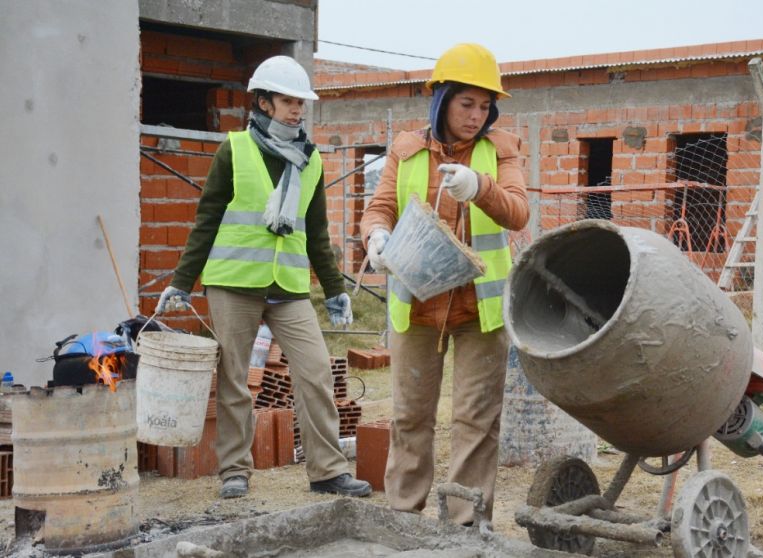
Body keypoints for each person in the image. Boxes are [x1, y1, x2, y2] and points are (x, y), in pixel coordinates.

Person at [156, 55, 371, 500]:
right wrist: (182, 281)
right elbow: (207, 219)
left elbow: (317, 235)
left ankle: (328, 470)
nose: (297, 110)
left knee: (315, 373)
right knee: (235, 378)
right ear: (264, 102)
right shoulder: (234, 149)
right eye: (288, 101)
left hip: (289, 289)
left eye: (300, 103)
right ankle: (235, 469)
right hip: (234, 282)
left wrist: (335, 292)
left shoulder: (309, 162)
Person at [360, 43, 529, 525]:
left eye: (484, 106)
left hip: (481, 311)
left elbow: (518, 211)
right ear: (442, 99)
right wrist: (376, 236)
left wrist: (480, 187)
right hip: (418, 304)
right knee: (410, 418)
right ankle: (403, 519)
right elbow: (380, 207)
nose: (477, 116)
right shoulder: (406, 149)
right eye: (466, 104)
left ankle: (464, 527)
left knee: (475, 421)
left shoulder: (501, 150)